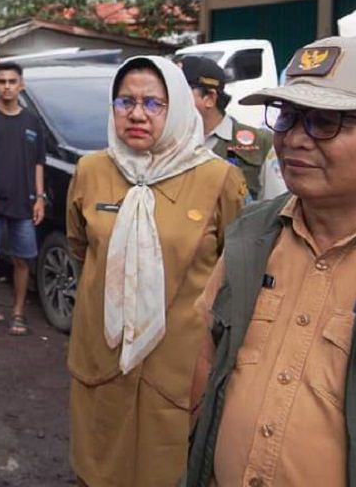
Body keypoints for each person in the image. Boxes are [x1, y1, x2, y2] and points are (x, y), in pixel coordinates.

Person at [185, 36, 356, 487]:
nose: (294, 139)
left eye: (325, 122)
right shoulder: (250, 234)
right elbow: (207, 365)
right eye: (288, 116)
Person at [66, 55, 245, 486]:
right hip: (102, 357)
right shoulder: (92, 170)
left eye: (153, 103)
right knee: (98, 467)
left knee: (168, 470)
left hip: (179, 365)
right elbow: (79, 249)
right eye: (125, 102)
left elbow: (235, 269)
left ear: (179, 107)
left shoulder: (219, 179)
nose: (137, 115)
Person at [0, 62, 44, 336]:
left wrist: (40, 197)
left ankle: (18, 313)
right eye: (2, 81)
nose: (6, 86)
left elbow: (39, 162)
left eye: (12, 81)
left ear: (21, 85)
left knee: (23, 260)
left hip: (24, 202)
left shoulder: (32, 122)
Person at [180, 54, 286, 201]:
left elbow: (276, 206)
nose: (170, 99)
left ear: (209, 98)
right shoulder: (168, 141)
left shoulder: (261, 143)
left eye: (180, 92)